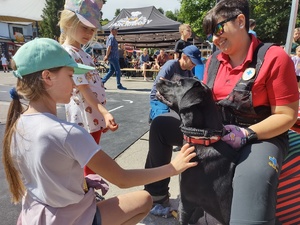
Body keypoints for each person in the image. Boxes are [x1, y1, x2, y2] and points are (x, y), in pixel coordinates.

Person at [3, 37, 198, 225]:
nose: (74, 84)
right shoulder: (67, 133)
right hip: (72, 218)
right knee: (145, 199)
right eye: (70, 76)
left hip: (36, 216)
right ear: (47, 77)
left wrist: (80, 181)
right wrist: (173, 167)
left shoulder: (17, 125)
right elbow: (122, 179)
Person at [145, 1, 299, 224]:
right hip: (216, 131)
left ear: (240, 20)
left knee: (253, 178)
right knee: (160, 126)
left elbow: (287, 115)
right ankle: (157, 196)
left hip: (259, 137)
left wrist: (246, 134)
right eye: (210, 34)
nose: (215, 39)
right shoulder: (214, 61)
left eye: (218, 29)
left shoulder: (274, 57)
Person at [59, 0, 118, 176]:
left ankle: (88, 191)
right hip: (84, 117)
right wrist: (104, 113)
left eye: (92, 29)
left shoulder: (82, 53)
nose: (89, 33)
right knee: (88, 160)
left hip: (92, 115)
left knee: (90, 157)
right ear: (69, 23)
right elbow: (84, 90)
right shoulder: (69, 53)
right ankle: (87, 192)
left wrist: (100, 115)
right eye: (84, 27)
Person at [149, 45, 203, 123]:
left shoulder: (188, 72)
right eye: (193, 62)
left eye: (196, 63)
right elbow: (160, 86)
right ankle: (155, 113)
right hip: (158, 98)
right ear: (184, 57)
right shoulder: (171, 65)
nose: (194, 65)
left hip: (173, 100)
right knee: (164, 120)